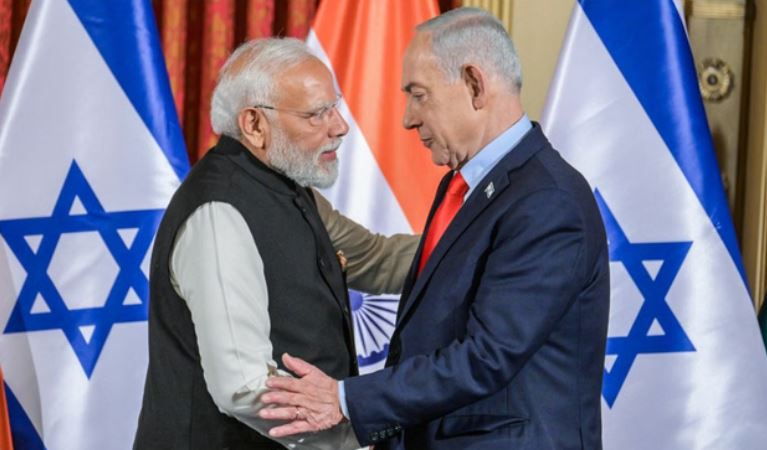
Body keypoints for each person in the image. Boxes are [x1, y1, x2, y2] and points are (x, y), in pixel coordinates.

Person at [260, 7, 610, 450]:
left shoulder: (547, 202)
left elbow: (487, 356)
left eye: (419, 95)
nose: (408, 118)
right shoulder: (464, 186)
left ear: (474, 84)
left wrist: (345, 399)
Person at [133, 37, 418, 450]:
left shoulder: (287, 188)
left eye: (334, 107)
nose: (340, 126)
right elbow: (244, 386)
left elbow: (377, 259)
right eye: (317, 114)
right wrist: (351, 432)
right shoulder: (219, 212)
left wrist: (482, 241)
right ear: (254, 124)